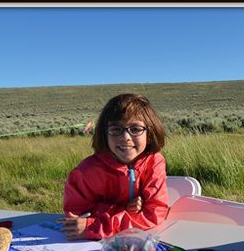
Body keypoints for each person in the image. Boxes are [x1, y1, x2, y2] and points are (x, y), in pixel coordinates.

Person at [60, 93, 169, 240]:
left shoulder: (154, 162)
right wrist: (122, 209)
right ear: (105, 134)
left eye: (135, 129)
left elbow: (155, 213)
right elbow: (76, 214)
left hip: (140, 242)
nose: (125, 137)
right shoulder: (86, 171)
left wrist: (96, 225)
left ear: (149, 134)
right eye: (116, 129)